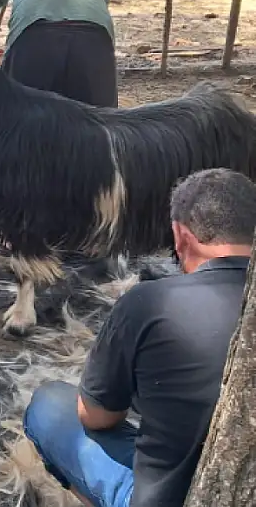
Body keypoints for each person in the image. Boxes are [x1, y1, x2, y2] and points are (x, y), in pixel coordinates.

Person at [23, 167, 256, 507]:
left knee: (48, 405)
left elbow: (96, 417)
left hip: (169, 497)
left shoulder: (149, 302)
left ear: (181, 236)